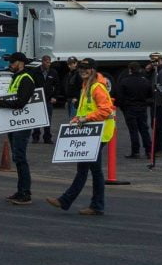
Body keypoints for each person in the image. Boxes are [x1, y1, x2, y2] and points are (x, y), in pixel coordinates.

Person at [47, 57, 114, 216]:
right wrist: (78, 118)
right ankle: (71, 201)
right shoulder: (87, 85)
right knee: (86, 169)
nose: (83, 71)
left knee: (91, 170)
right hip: (89, 133)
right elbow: (86, 110)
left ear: (93, 70)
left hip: (99, 134)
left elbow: (106, 111)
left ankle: (91, 205)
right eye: (81, 69)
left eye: (86, 68)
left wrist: (85, 119)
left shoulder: (97, 87)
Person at [0, 52, 36, 205]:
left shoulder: (26, 79)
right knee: (17, 158)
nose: (9, 65)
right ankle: (21, 191)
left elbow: (20, 102)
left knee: (20, 158)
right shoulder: (17, 77)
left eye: (12, 62)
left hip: (22, 124)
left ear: (20, 63)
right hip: (15, 124)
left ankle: (25, 193)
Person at [116, 61, 152, 159]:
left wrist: (122, 107)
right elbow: (150, 95)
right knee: (144, 130)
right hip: (142, 107)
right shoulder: (145, 81)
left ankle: (135, 151)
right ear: (139, 69)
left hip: (129, 108)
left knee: (133, 130)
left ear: (130, 70)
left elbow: (120, 97)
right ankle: (149, 150)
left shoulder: (125, 81)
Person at [147, 53, 162, 156]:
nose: (151, 64)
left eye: (153, 62)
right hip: (156, 103)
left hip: (161, 104)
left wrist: (157, 103)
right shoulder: (157, 71)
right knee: (155, 126)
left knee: (161, 126)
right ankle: (156, 147)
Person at [31, 55, 56, 144]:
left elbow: (57, 85)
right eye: (47, 62)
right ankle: (36, 137)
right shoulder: (35, 71)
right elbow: (31, 84)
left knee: (48, 119)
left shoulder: (53, 72)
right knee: (37, 118)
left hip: (48, 99)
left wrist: (55, 97)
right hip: (37, 98)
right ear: (42, 62)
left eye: (49, 62)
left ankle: (47, 137)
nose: (48, 64)